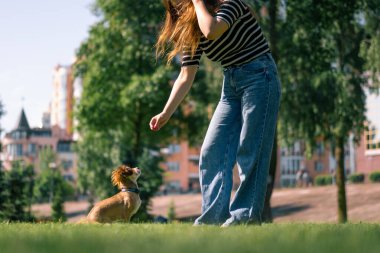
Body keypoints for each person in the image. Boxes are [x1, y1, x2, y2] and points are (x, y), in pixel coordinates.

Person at [150, 0, 281, 226]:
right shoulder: (193, 27)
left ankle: (245, 218)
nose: (180, 6)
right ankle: (212, 220)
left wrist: (199, 2)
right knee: (212, 151)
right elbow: (185, 76)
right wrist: (165, 113)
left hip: (260, 75)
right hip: (231, 84)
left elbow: (212, 30)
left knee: (251, 150)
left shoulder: (228, 4)